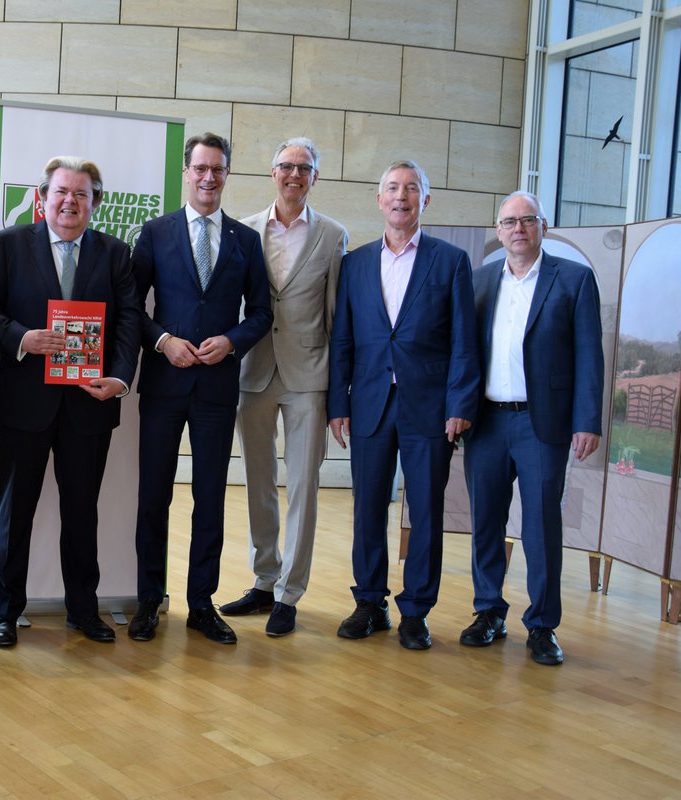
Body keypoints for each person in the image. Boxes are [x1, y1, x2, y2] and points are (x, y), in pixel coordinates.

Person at [0, 156, 143, 647]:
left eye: (81, 194)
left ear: (95, 203)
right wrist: (24, 338)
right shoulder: (10, 244)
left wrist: (119, 378)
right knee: (15, 510)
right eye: (61, 192)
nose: (70, 202)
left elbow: (129, 320)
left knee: (82, 510)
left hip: (90, 403)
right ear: (42, 199)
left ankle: (83, 611)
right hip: (23, 401)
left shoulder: (114, 253)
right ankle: (5, 611)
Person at [327, 159, 479, 651]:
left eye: (411, 189)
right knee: (368, 507)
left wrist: (460, 404)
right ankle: (370, 602)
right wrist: (338, 403)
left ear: (425, 201)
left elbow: (463, 341)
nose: (400, 196)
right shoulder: (355, 263)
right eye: (392, 188)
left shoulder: (450, 261)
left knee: (426, 511)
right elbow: (343, 340)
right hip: (369, 403)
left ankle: (416, 610)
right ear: (379, 199)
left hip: (430, 409)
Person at [129, 133, 273, 645]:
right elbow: (132, 308)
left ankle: (200, 603)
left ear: (226, 174)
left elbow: (261, 313)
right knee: (154, 496)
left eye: (218, 169)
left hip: (216, 388)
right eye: (200, 168)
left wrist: (232, 342)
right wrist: (163, 341)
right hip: (165, 383)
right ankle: (149, 599)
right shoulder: (154, 233)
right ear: (186, 173)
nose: (209, 177)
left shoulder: (244, 240)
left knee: (209, 497)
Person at [460, 191, 603, 666]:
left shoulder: (574, 280)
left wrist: (587, 420)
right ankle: (489, 613)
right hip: (487, 422)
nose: (518, 229)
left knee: (542, 525)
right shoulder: (479, 281)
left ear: (543, 226)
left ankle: (542, 625)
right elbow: (463, 355)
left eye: (527, 220)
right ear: (498, 231)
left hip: (543, 425)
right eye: (509, 222)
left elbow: (589, 356)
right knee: (485, 523)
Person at [222, 137, 348, 637]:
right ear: (272, 173)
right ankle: (263, 578)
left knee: (302, 486)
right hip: (254, 370)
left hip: (308, 377)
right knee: (257, 483)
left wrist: (341, 392)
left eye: (305, 167)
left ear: (315, 177)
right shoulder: (245, 230)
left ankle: (289, 593)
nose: (295, 174)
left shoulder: (334, 235)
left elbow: (338, 316)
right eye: (286, 166)